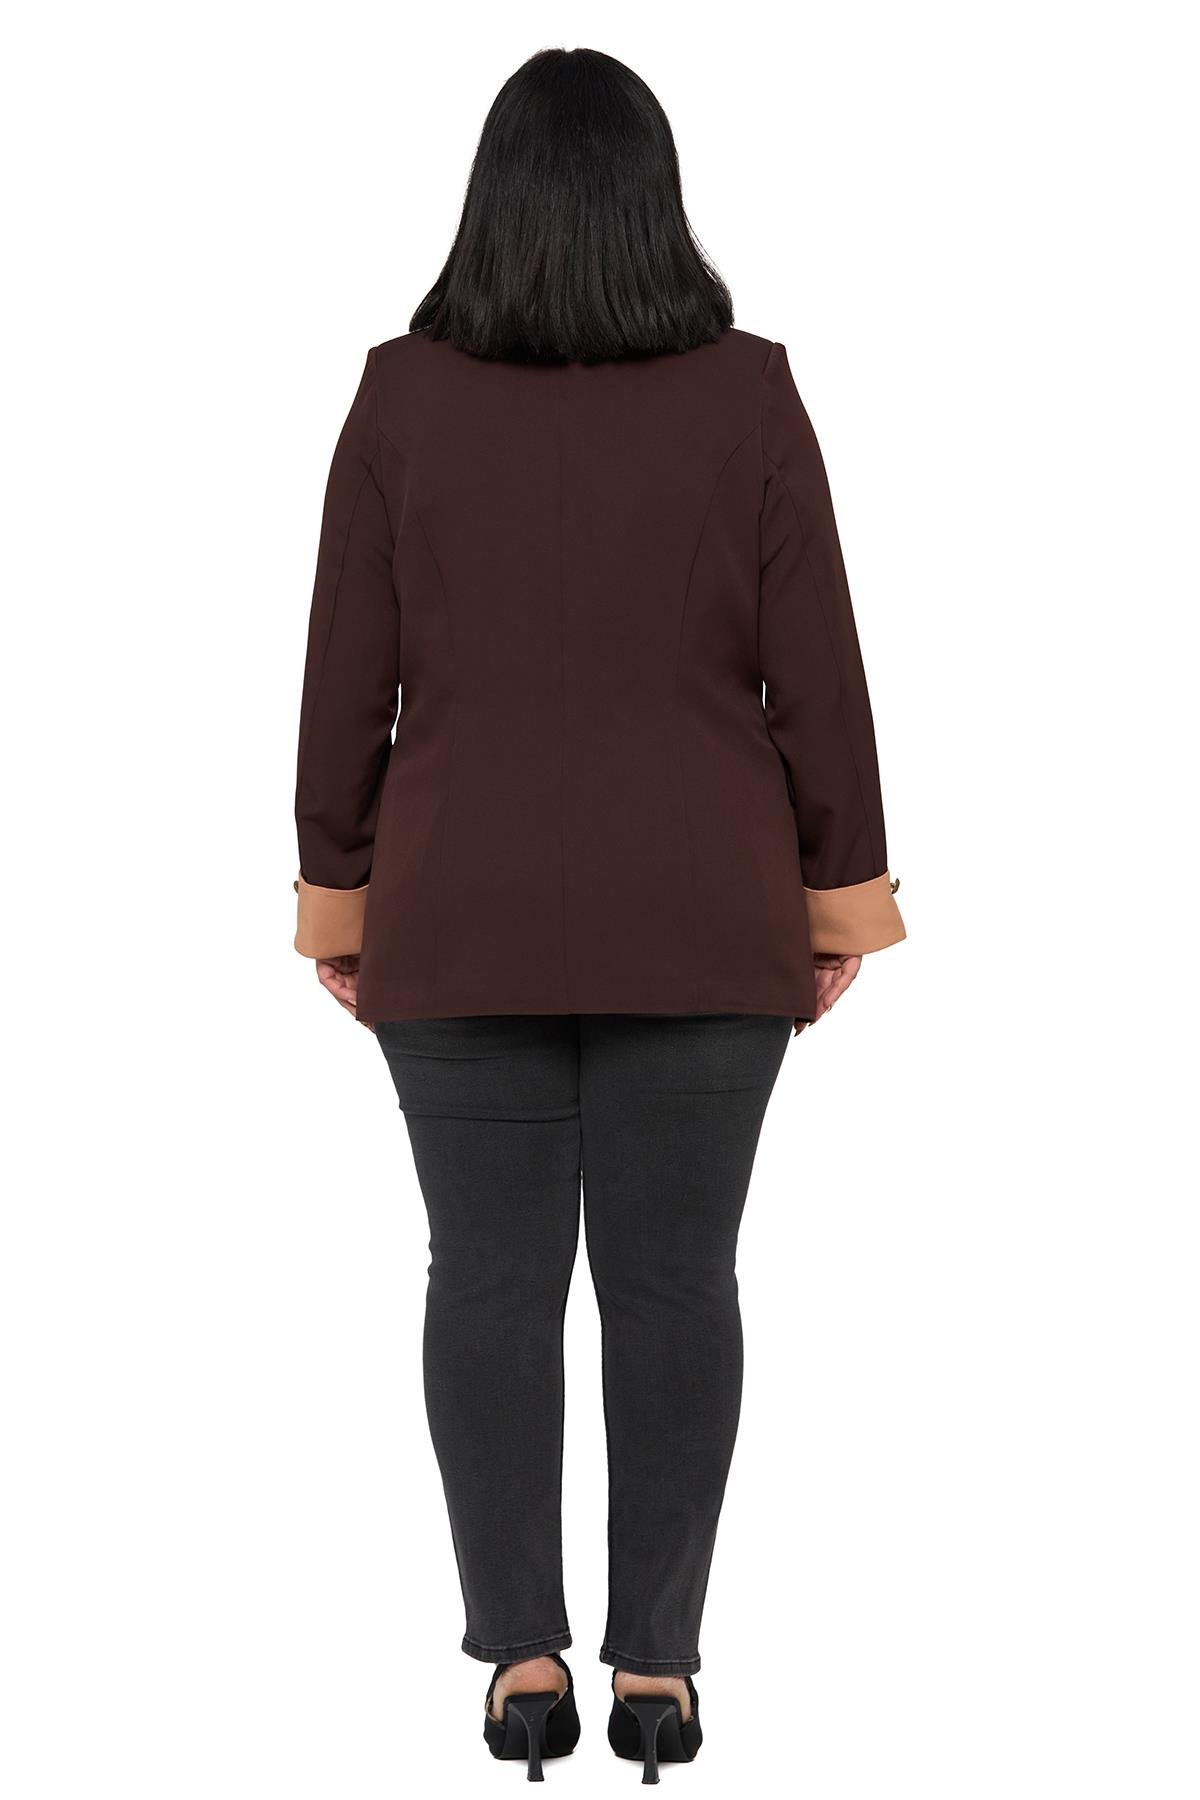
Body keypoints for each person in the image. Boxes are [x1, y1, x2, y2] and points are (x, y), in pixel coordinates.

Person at [293, 45, 905, 1783]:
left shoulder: (400, 399)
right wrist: (840, 890)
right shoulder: (749, 394)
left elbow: (345, 675)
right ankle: (658, 1674)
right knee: (676, 1283)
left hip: (458, 910)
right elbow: (819, 674)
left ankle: (521, 1665)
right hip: (703, 910)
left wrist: (340, 895)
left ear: (492, 201)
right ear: (657, 198)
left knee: (486, 1279)